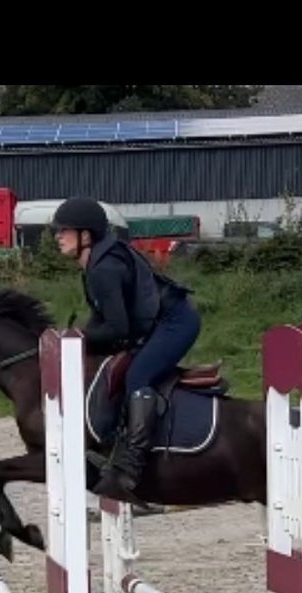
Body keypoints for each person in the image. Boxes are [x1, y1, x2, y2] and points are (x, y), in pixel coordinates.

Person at [51, 196, 202, 497]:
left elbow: (117, 329)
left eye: (64, 230)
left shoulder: (104, 269)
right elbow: (104, 321)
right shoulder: (96, 263)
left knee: (137, 378)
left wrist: (75, 338)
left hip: (176, 324)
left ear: (86, 235)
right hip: (157, 323)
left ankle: (132, 467)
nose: (57, 236)